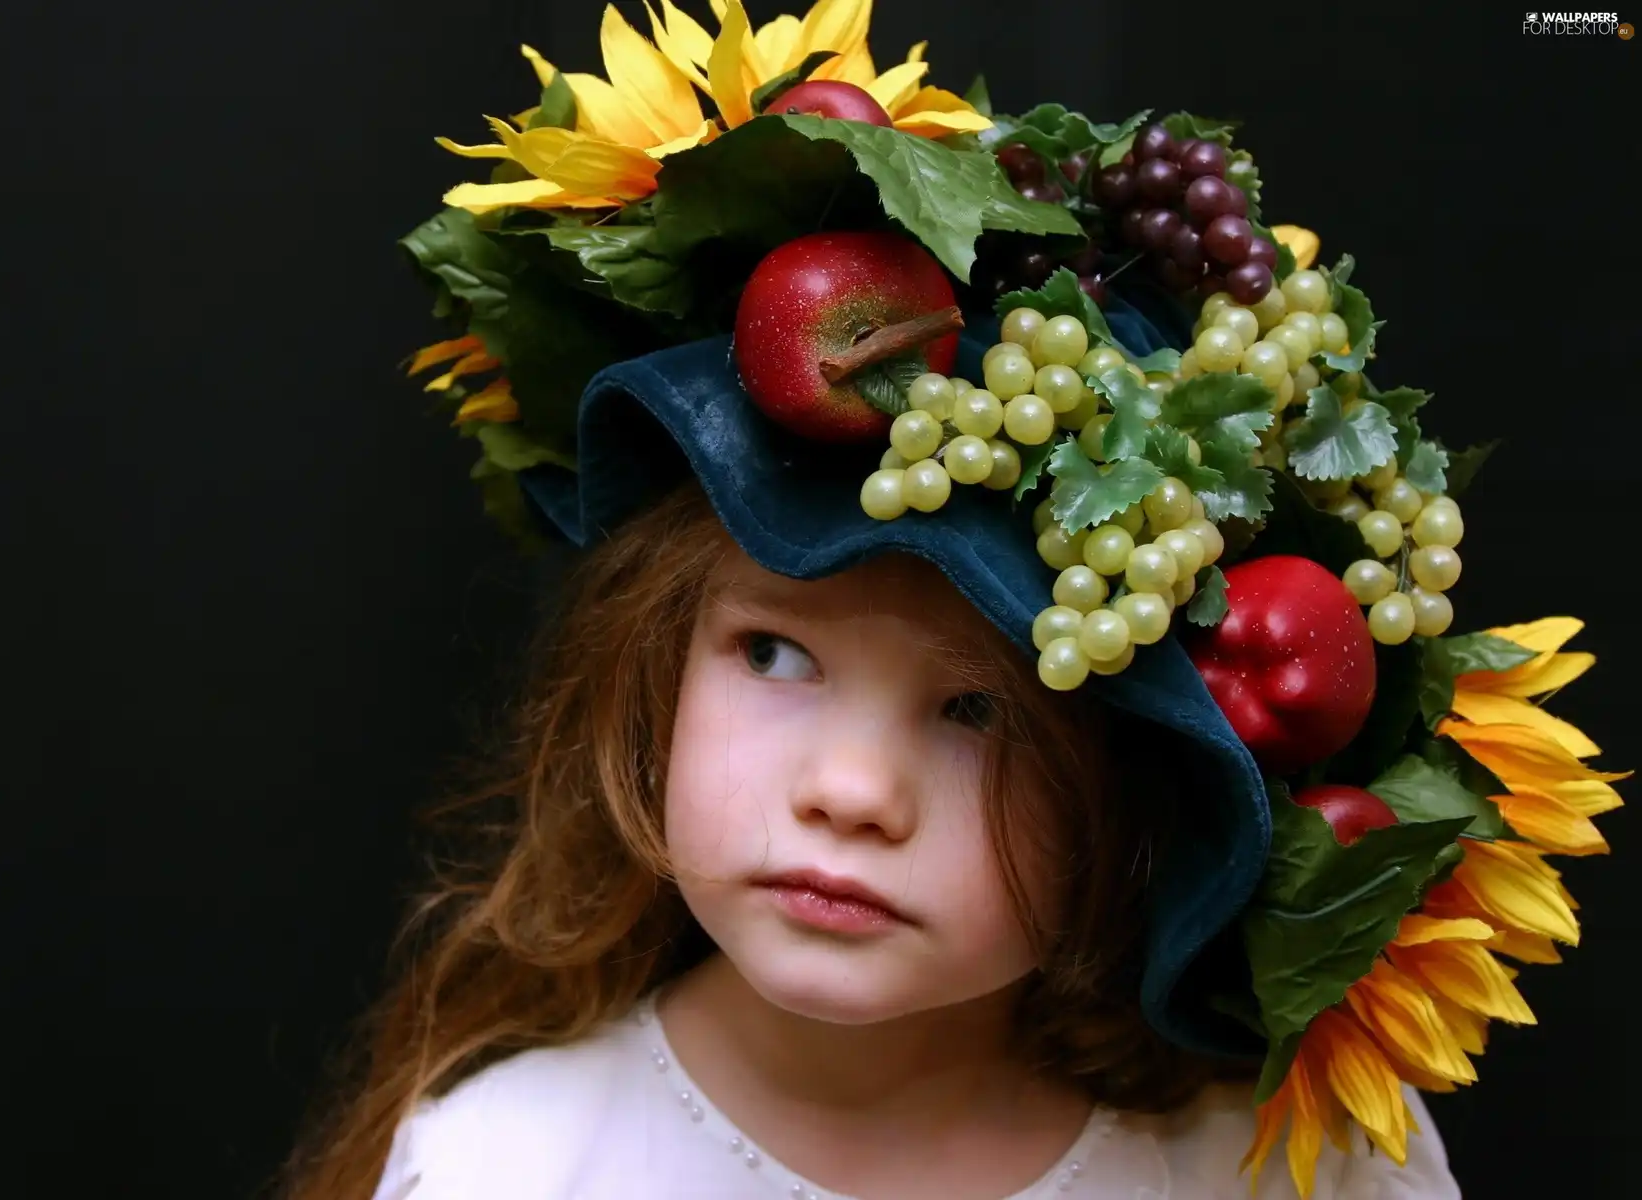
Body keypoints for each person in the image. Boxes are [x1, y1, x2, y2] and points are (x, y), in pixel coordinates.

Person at [284, 2, 1617, 1196]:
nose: (853, 792)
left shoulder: (1279, 1178)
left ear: (1134, 777)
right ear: (653, 659)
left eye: (977, 708)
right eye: (778, 656)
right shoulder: (506, 1166)